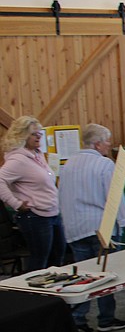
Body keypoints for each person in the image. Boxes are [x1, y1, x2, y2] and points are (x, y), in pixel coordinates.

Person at [58, 123, 125, 332]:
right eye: (107, 141)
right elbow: (115, 198)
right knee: (106, 275)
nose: (109, 145)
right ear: (97, 144)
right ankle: (106, 319)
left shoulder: (68, 164)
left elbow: (61, 196)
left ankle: (79, 319)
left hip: (75, 228)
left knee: (84, 275)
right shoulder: (104, 165)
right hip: (101, 228)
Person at [0, 116, 65, 271]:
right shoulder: (18, 160)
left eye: (39, 133)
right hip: (36, 217)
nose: (38, 137)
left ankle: (53, 293)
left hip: (52, 214)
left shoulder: (37, 155)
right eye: (34, 134)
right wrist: (15, 203)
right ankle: (34, 295)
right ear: (22, 136)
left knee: (57, 258)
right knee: (40, 261)